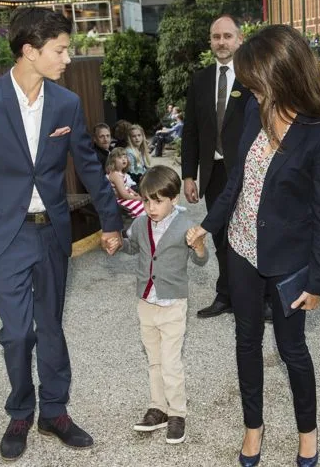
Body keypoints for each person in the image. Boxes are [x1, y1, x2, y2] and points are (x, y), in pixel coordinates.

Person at [0, 7, 123, 461]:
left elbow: (88, 165)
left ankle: (55, 412)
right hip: (3, 236)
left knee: (51, 328)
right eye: (60, 50)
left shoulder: (65, 104)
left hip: (52, 234)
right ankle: (21, 410)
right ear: (29, 51)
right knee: (18, 333)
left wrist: (111, 221)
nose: (68, 58)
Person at [186, 24, 320, 467]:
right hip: (241, 248)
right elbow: (237, 181)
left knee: (293, 350)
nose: (251, 94)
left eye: (256, 85)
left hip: (289, 262)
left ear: (282, 77)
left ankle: (307, 433)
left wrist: (318, 280)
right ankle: (252, 426)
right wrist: (207, 224)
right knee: (245, 340)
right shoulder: (255, 114)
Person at [107, 165, 208, 445]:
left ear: (173, 199)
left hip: (173, 303)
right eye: (146, 201)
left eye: (158, 201)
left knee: (171, 362)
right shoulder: (140, 224)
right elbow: (134, 247)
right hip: (146, 302)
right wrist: (118, 244)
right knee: (154, 360)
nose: (151, 207)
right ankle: (158, 408)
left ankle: (177, 413)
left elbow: (201, 260)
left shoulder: (186, 226)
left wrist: (199, 246)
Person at [182, 14, 272, 321]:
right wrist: (188, 175)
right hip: (215, 171)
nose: (221, 42)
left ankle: (266, 297)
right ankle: (227, 295)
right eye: (216, 36)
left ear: (240, 39)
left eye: (227, 36)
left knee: (255, 233)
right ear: (210, 41)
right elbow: (191, 131)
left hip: (250, 171)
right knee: (220, 235)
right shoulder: (200, 80)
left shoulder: (255, 78)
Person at [106, 148, 146, 218]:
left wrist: (135, 193)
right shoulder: (116, 175)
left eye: (125, 157)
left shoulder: (120, 173)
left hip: (126, 196)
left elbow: (126, 186)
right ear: (112, 161)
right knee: (144, 207)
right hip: (121, 201)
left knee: (146, 203)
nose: (124, 159)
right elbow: (123, 195)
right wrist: (137, 198)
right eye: (120, 157)